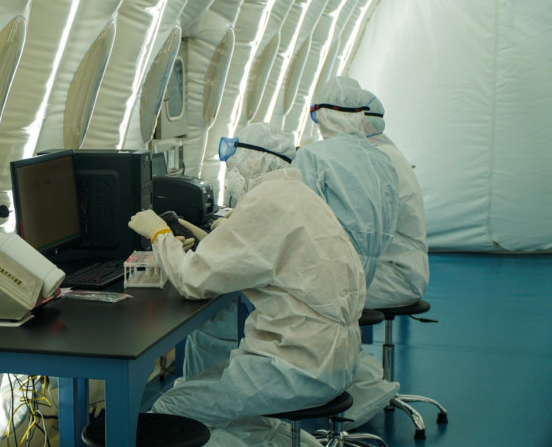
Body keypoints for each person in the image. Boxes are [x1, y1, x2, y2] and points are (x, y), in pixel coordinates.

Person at [128, 123, 366, 443]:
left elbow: (191, 281)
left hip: (297, 367)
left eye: (232, 162)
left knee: (170, 408)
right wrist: (209, 241)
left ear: (254, 160)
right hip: (333, 357)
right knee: (210, 394)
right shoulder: (298, 194)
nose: (230, 171)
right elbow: (260, 256)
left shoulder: (266, 202)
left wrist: (158, 233)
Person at [291, 76, 401, 429]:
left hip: (327, 271)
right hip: (365, 270)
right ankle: (356, 387)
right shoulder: (381, 158)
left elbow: (296, 219)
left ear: (320, 114)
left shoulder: (312, 156)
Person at [359, 91, 429, 308]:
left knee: (309, 293)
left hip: (394, 276)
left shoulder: (378, 159)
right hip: (400, 268)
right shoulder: (386, 152)